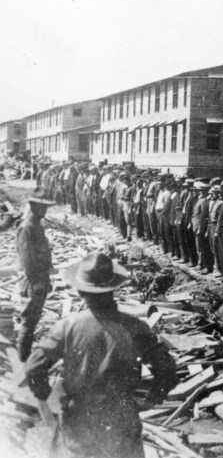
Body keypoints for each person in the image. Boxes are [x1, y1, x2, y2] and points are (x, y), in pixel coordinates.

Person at [25, 252, 177, 458]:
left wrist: (48, 397)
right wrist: (152, 399)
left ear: (80, 291)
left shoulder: (67, 327)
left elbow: (34, 368)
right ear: (113, 289)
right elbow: (166, 368)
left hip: (78, 422)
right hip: (121, 420)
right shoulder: (135, 327)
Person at [16, 187, 56, 362]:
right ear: (33, 206)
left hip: (40, 280)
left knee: (33, 321)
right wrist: (37, 284)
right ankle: (24, 360)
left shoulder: (36, 226)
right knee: (28, 322)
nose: (45, 210)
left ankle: (26, 356)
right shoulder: (27, 228)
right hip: (33, 283)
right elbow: (27, 261)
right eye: (43, 206)